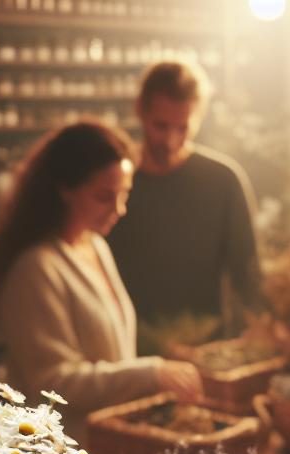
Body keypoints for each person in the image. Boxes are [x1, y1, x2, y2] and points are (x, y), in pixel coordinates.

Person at [0, 120, 202, 434]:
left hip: (104, 439)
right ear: (66, 189)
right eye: (104, 196)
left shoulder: (95, 246)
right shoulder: (35, 268)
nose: (120, 208)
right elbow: (54, 382)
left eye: (124, 193)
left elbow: (110, 349)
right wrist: (149, 373)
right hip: (58, 451)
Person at [107, 60, 263, 340]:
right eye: (160, 126)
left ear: (199, 117)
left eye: (182, 128)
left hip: (206, 350)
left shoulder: (223, 180)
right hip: (126, 350)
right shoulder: (112, 183)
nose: (170, 140)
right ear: (140, 110)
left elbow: (248, 274)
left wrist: (264, 328)